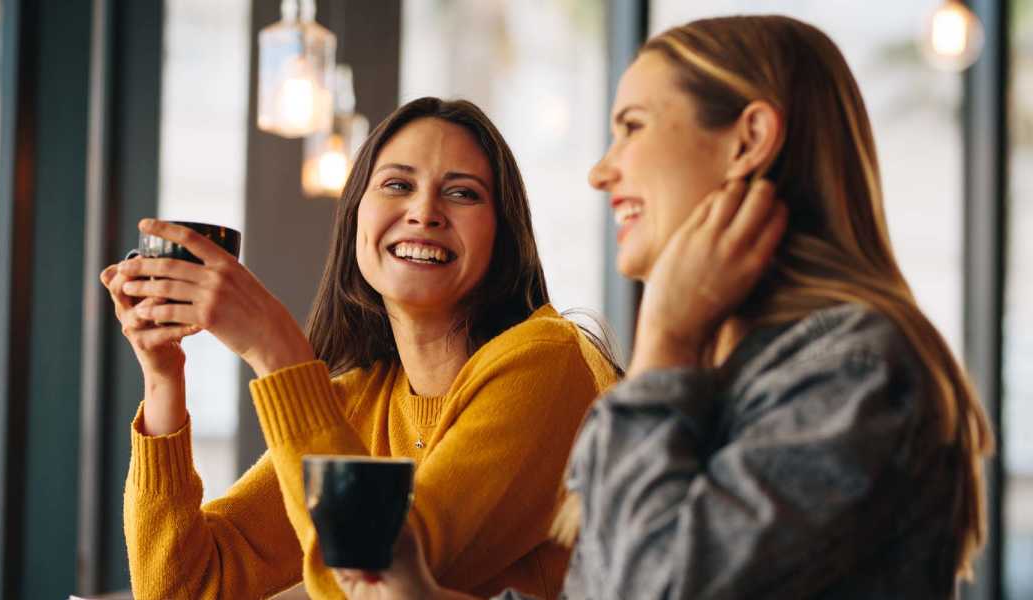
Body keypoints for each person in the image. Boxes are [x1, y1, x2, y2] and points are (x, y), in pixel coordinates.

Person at [332, 15, 994, 600]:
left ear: (748, 139)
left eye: (632, 128)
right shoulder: (739, 369)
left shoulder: (852, 368)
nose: (601, 171)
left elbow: (653, 587)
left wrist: (665, 341)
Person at [99, 97, 620, 599]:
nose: (424, 211)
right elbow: (183, 590)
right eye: (397, 184)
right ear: (354, 222)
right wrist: (163, 377)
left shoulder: (544, 362)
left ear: (503, 237)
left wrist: (276, 350)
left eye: (462, 193)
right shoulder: (358, 403)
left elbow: (382, 579)